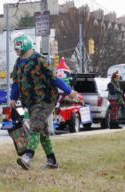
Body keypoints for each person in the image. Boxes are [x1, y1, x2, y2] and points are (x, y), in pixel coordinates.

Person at [10, 33, 78, 170]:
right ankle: (52, 161)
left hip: (46, 99)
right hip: (31, 102)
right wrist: (13, 97)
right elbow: (16, 82)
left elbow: (54, 78)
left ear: (24, 45)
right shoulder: (18, 63)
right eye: (15, 49)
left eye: (18, 48)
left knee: (35, 125)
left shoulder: (39, 60)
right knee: (42, 132)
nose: (16, 51)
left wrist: (69, 91)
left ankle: (27, 157)